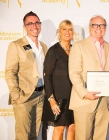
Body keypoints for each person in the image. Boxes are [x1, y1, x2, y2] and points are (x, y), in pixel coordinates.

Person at [68, 15, 109, 140]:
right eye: (95, 25)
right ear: (90, 27)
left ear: (106, 28)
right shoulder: (78, 46)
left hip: (104, 102)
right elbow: (74, 73)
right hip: (84, 101)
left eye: (102, 25)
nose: (98, 28)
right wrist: (85, 93)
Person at [5, 11, 48, 140]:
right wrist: (16, 95)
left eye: (37, 23)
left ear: (40, 25)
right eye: (30, 23)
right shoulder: (16, 45)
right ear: (24, 27)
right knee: (23, 135)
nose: (34, 26)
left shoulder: (44, 46)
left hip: (41, 95)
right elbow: (9, 72)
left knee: (34, 134)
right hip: (24, 97)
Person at [42, 20, 75, 140]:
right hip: (59, 99)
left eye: (70, 29)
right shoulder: (53, 51)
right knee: (59, 129)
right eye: (64, 29)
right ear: (59, 32)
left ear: (73, 33)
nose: (67, 32)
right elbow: (47, 76)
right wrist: (51, 100)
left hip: (75, 98)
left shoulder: (76, 49)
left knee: (72, 128)